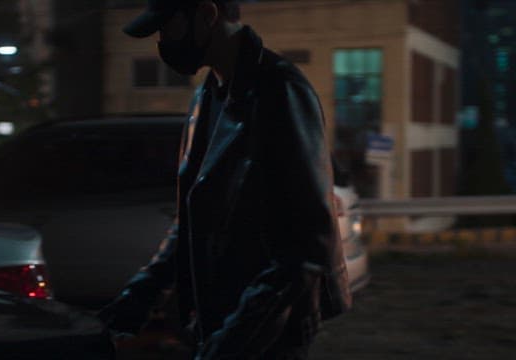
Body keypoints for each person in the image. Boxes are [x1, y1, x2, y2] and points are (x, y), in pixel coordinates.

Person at [97, 0, 352, 358]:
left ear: (206, 14)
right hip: (219, 319)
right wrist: (136, 299)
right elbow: (193, 219)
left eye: (168, 25)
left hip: (269, 334)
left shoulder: (280, 90)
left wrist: (236, 339)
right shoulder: (206, 96)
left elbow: (307, 247)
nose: (162, 39)